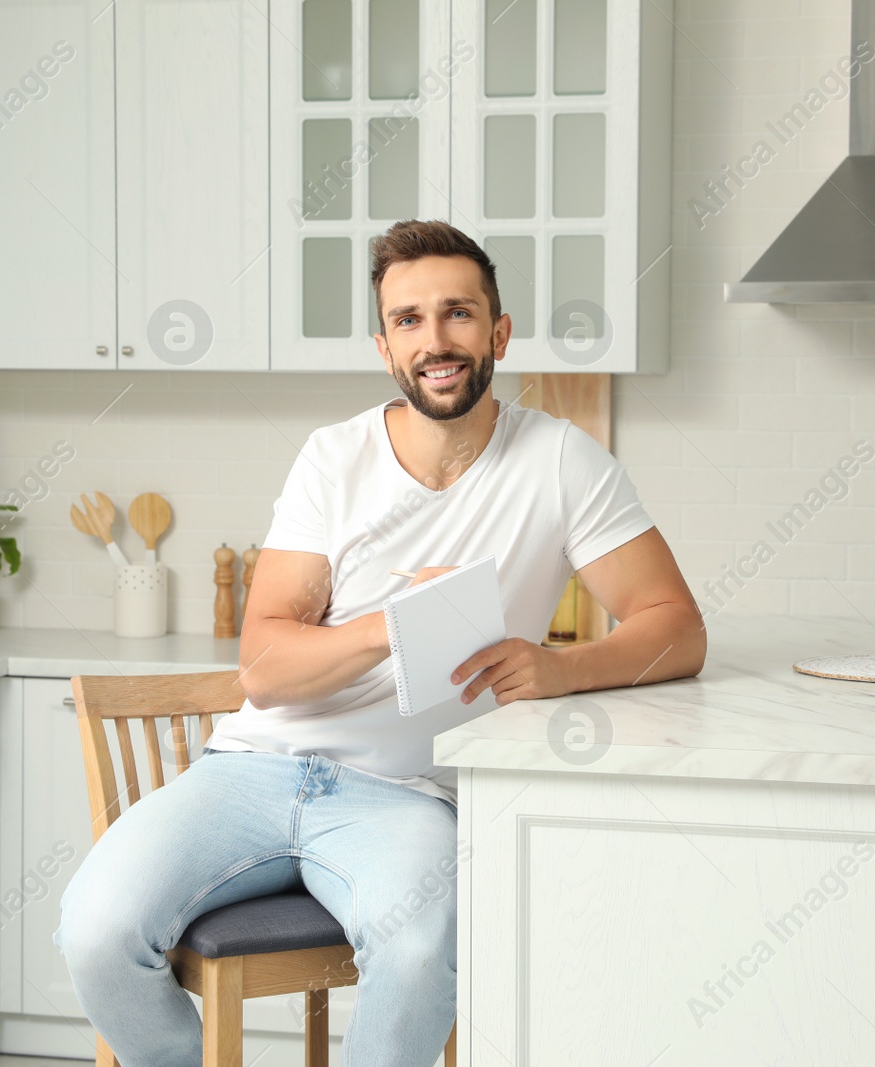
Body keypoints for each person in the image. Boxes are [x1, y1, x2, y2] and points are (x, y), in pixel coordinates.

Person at [54, 219, 705, 1066]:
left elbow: (676, 626)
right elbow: (263, 666)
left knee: (415, 947)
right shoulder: (334, 460)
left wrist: (558, 668)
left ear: (498, 332)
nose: (435, 340)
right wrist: (389, 625)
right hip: (252, 769)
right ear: (384, 346)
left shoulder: (562, 463)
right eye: (408, 320)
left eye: (458, 313)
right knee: (94, 930)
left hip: (407, 794)